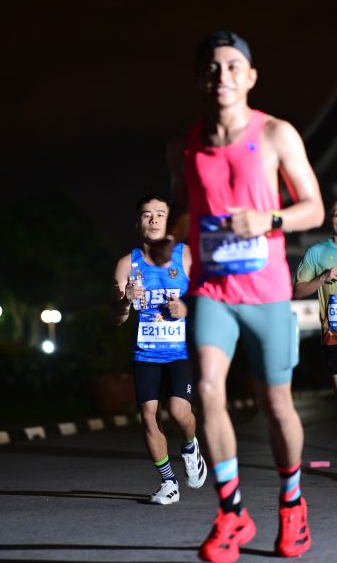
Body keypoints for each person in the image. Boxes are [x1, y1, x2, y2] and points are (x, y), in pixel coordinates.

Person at [163, 30, 325, 562]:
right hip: (212, 291)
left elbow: (313, 207)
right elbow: (186, 212)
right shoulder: (185, 145)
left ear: (251, 76)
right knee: (208, 389)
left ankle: (292, 503)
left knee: (275, 404)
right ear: (199, 78)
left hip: (267, 293)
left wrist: (267, 219)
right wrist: (174, 250)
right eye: (212, 67)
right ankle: (231, 511)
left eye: (234, 66)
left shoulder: (276, 133)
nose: (223, 75)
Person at [111, 192, 207, 505]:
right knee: (149, 415)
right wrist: (125, 301)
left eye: (160, 214)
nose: (153, 220)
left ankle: (191, 447)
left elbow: (205, 300)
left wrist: (185, 308)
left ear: (168, 221)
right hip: (146, 353)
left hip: (180, 351)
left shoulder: (185, 256)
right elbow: (118, 318)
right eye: (146, 214)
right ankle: (168, 483)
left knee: (179, 412)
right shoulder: (127, 264)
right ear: (138, 222)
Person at [294, 200, 337, 393]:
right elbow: (298, 292)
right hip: (333, 332)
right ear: (331, 220)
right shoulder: (316, 252)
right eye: (336, 214)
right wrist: (323, 277)